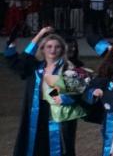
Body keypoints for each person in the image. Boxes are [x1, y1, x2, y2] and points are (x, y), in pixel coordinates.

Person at [6, 26, 79, 156]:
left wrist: (63, 98)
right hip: (36, 113)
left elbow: (77, 94)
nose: (53, 50)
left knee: (60, 149)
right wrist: (40, 34)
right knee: (34, 147)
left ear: (62, 50)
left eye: (57, 47)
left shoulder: (69, 68)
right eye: (49, 46)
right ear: (42, 49)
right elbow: (22, 61)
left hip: (59, 117)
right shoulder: (34, 68)